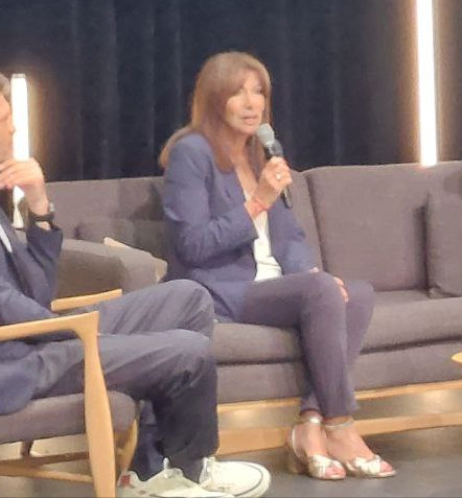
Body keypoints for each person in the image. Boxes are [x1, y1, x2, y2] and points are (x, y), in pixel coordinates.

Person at [0, 69, 271, 498]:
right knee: (190, 349)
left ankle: (148, 470)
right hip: (3, 363)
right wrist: (82, 331)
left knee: (190, 299)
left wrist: (38, 204)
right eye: (5, 119)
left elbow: (34, 291)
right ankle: (185, 469)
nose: (14, 127)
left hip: (29, 336)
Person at [160, 51, 393, 481]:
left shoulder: (261, 156)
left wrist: (309, 274)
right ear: (215, 100)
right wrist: (256, 203)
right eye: (239, 93)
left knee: (355, 293)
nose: (252, 104)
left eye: (259, 92)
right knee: (322, 291)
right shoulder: (190, 154)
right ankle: (340, 425)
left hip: (271, 286)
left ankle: (309, 423)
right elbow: (192, 245)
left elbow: (291, 238)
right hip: (217, 289)